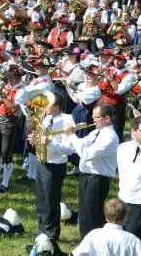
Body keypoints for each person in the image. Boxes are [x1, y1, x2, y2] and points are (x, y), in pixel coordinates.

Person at [58, 104, 120, 239]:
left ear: (107, 119)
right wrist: (55, 142)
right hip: (86, 177)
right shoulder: (96, 132)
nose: (93, 120)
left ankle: (93, 247)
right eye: (93, 117)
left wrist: (72, 135)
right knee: (85, 217)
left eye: (97, 117)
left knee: (92, 219)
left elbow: (86, 154)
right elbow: (78, 145)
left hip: (97, 180)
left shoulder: (110, 137)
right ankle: (85, 245)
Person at [31, 97, 75, 255]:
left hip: (55, 165)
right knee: (41, 199)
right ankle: (41, 230)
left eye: (47, 105)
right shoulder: (47, 118)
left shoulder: (67, 120)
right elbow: (42, 137)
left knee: (51, 200)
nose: (44, 107)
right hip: (42, 161)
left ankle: (51, 234)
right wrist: (35, 139)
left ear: (56, 106)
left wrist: (51, 143)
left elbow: (70, 148)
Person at [71, 198, 141, 256]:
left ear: (106, 216)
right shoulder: (133, 241)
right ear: (125, 219)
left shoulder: (94, 235)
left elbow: (75, 254)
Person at [116, 116, 141, 238]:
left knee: (133, 236)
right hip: (124, 198)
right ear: (133, 131)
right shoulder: (123, 148)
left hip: (138, 202)